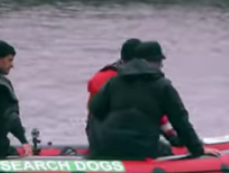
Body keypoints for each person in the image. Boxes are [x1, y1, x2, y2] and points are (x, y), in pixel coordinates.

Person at [88, 41, 220, 160]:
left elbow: (95, 110)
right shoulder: (162, 86)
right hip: (140, 149)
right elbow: (180, 121)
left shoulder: (113, 82)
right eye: (160, 61)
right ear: (153, 62)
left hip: (104, 147)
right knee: (166, 150)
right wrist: (197, 149)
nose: (161, 65)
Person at [86, 38, 182, 149]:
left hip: (97, 139)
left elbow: (94, 110)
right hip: (129, 140)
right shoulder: (135, 81)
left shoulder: (100, 77)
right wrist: (173, 136)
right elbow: (152, 111)